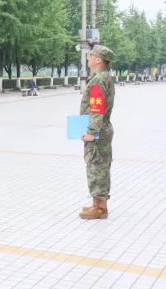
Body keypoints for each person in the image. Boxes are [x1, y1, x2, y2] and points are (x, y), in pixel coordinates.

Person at [79, 45, 115, 220]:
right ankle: (99, 203)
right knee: (101, 166)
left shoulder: (98, 80)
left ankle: (99, 208)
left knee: (96, 166)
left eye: (91, 55)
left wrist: (92, 132)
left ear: (99, 59)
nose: (88, 58)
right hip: (104, 127)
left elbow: (96, 108)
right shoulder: (105, 77)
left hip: (98, 130)